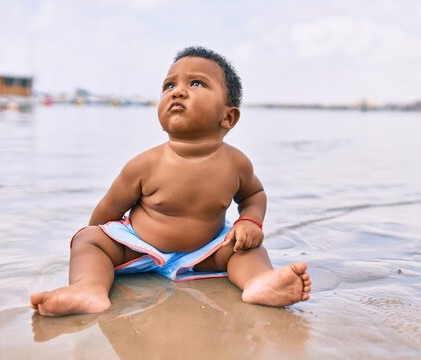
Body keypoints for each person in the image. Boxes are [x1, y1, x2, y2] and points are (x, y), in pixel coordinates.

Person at [30, 46, 312, 316]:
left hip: (206, 252)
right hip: (140, 247)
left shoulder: (236, 163)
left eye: (197, 84)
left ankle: (259, 283)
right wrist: (96, 247)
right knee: (88, 239)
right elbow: (106, 214)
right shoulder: (145, 164)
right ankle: (88, 287)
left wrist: (249, 221)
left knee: (247, 249)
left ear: (228, 116)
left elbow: (254, 195)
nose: (177, 91)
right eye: (169, 86)